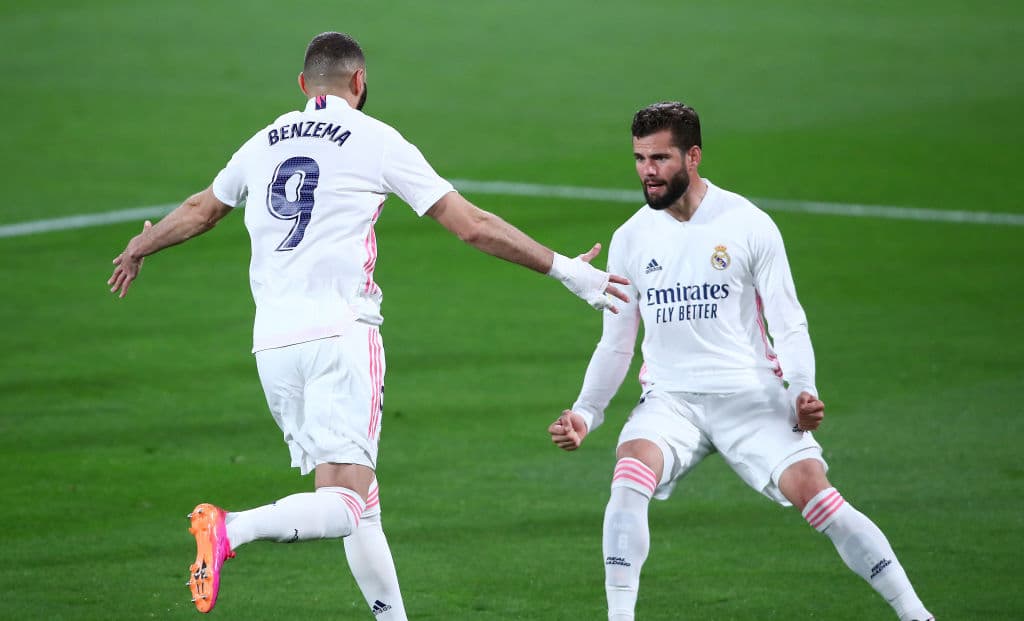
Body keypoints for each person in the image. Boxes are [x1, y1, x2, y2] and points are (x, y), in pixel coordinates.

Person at [108, 31, 629, 617]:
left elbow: (203, 208)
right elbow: (472, 225)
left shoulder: (263, 142)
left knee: (363, 501)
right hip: (341, 336)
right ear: (360, 83)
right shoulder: (377, 140)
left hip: (273, 349)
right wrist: (567, 271)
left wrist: (142, 245)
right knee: (345, 505)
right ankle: (230, 528)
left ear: (304, 86)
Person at [547, 102, 934, 621]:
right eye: (639, 158)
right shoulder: (631, 238)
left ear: (694, 156)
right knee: (628, 477)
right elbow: (616, 342)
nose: (648, 171)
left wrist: (801, 388)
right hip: (671, 400)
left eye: (660, 158)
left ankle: (916, 615)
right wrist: (585, 412)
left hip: (750, 395)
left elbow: (787, 320)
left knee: (819, 498)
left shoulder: (747, 224)